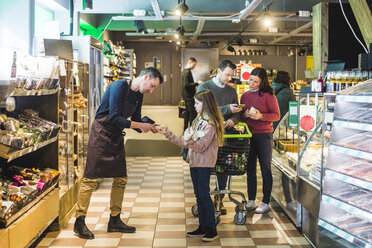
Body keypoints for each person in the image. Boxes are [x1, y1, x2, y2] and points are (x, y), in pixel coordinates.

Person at [73, 67, 163, 239]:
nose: (151, 90)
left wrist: (151, 126)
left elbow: (136, 120)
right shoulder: (118, 86)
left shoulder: (139, 94)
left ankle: (114, 220)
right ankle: (79, 221)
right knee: (91, 179)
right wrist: (139, 126)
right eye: (151, 85)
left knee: (120, 179)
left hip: (115, 136)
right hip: (101, 134)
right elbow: (114, 117)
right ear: (145, 77)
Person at [157, 89, 224, 242]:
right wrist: (167, 133)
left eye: (197, 103)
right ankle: (203, 226)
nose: (194, 106)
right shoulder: (198, 121)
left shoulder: (210, 125)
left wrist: (191, 139)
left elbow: (201, 147)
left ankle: (212, 229)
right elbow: (184, 142)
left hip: (204, 165)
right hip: (194, 164)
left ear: (205, 104)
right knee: (199, 195)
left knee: (204, 195)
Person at [197, 59, 242, 215]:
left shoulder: (231, 91)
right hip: (207, 137)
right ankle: (204, 199)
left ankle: (219, 198)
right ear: (219, 71)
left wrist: (233, 119)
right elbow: (204, 111)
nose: (229, 78)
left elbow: (238, 113)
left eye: (232, 75)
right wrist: (226, 109)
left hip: (226, 136)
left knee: (224, 167)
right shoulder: (205, 87)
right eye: (227, 75)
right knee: (205, 169)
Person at [240, 67, 280, 214]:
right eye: (251, 80)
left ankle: (265, 201)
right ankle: (251, 199)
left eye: (256, 82)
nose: (252, 84)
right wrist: (244, 114)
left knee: (265, 168)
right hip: (248, 135)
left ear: (262, 83)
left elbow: (276, 115)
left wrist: (261, 116)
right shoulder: (244, 96)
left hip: (264, 135)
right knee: (250, 168)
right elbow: (242, 118)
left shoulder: (269, 96)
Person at [182, 57, 202, 131]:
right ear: (190, 63)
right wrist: (197, 83)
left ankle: (185, 130)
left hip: (186, 96)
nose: (194, 66)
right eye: (194, 65)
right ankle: (191, 130)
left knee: (187, 113)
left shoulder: (184, 71)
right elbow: (186, 85)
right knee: (192, 114)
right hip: (189, 96)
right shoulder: (187, 72)